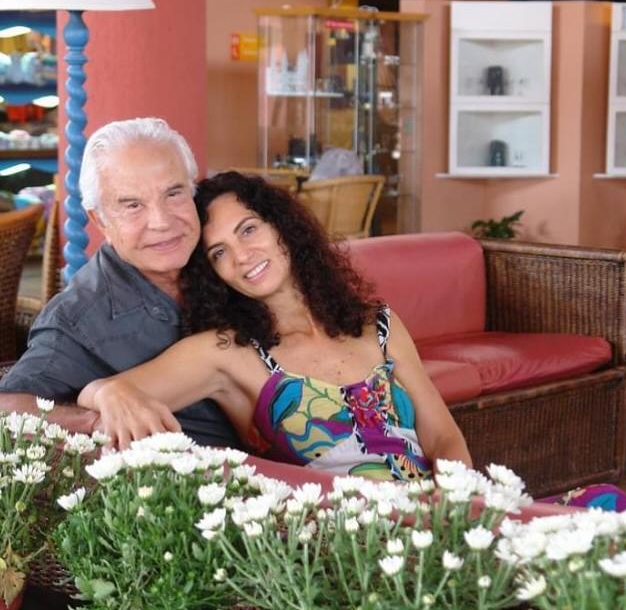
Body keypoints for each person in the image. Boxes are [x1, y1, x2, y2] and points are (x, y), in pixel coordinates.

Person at [79, 171, 472, 481]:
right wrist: (107, 392)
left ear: (282, 225)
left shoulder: (376, 323)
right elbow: (100, 395)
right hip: (341, 544)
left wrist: (455, 515)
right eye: (219, 253)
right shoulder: (227, 352)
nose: (242, 256)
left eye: (248, 230)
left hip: (435, 525)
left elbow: (443, 438)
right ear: (212, 274)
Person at [0, 118, 241, 448]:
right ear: (100, 220)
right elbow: (5, 411)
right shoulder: (78, 318)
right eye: (132, 205)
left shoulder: (226, 255)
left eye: (173, 194)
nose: (161, 222)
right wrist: (96, 417)